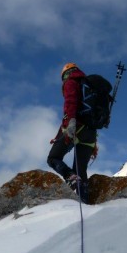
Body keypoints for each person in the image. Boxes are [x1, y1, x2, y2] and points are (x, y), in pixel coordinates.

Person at [47, 63, 97, 204]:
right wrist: (58, 138)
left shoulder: (71, 82)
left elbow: (70, 103)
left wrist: (71, 125)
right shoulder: (89, 88)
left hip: (76, 129)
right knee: (80, 170)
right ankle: (84, 201)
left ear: (65, 74)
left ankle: (70, 177)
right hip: (91, 135)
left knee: (53, 158)